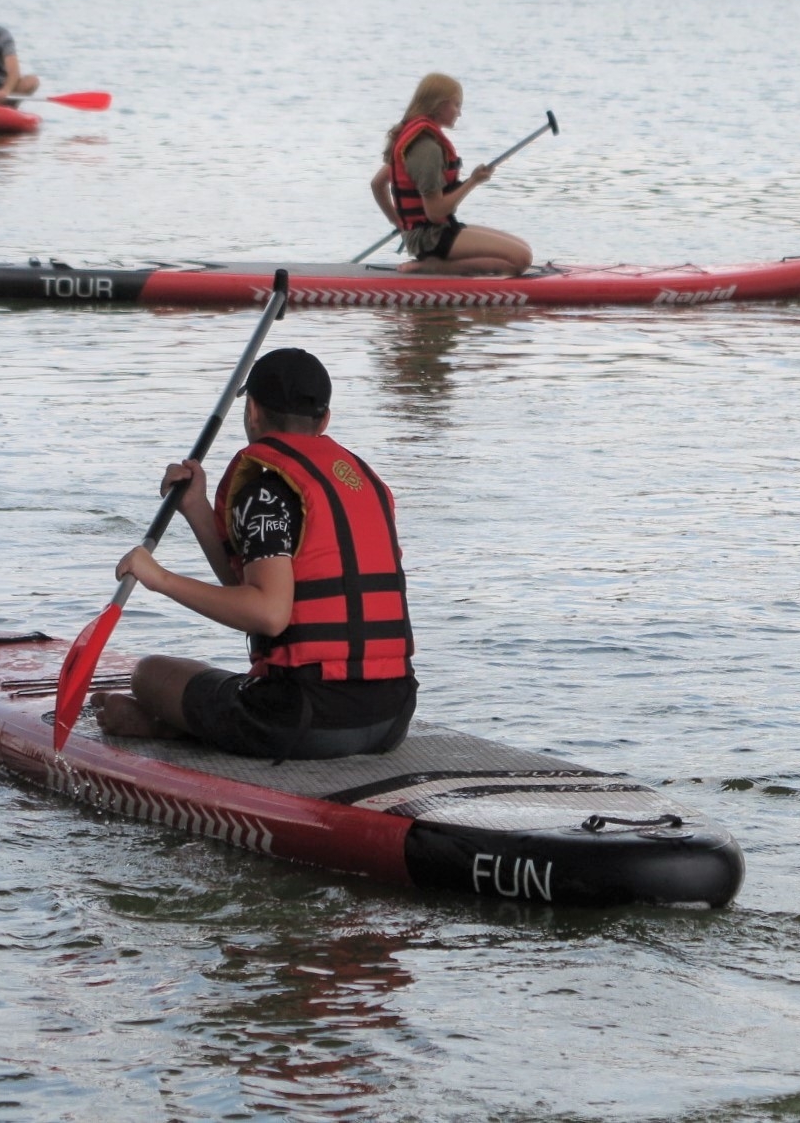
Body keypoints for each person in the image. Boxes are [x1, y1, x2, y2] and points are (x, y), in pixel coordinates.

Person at [94, 348, 418, 761]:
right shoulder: (363, 483)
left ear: (252, 412)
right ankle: (175, 726)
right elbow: (254, 588)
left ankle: (163, 726)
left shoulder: (265, 492)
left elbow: (267, 613)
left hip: (301, 721)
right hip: (392, 717)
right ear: (325, 420)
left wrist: (160, 579)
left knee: (148, 674)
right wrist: (196, 507)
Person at [369, 73, 533, 275]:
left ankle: (442, 263)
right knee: (520, 260)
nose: (459, 113)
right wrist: (473, 182)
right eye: (456, 105)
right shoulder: (426, 148)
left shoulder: (417, 140)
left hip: (430, 234)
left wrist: (401, 224)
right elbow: (435, 212)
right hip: (429, 239)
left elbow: (377, 184)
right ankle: (434, 267)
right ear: (439, 105)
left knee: (524, 250)